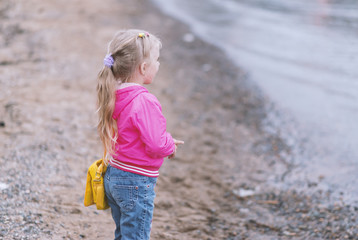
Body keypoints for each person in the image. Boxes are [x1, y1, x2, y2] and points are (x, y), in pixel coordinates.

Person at [96, 29, 184, 240]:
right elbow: (155, 144)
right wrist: (170, 145)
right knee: (135, 236)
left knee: (123, 232)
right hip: (135, 181)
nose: (159, 64)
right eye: (157, 60)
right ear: (144, 68)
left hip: (114, 176)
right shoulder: (144, 101)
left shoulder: (113, 92)